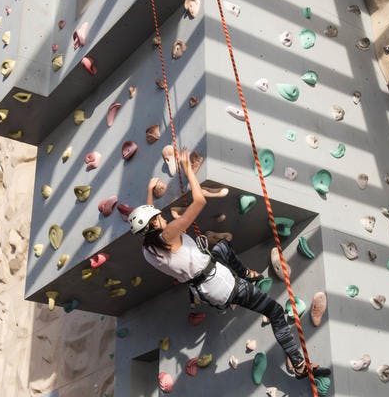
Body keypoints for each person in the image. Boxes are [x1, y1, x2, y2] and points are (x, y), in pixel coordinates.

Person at [129, 147, 326, 379]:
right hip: (221, 283)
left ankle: (247, 273)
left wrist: (149, 193)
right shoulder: (169, 234)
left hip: (205, 283)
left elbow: (148, 222)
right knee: (274, 311)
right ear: (153, 226)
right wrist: (187, 171)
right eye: (157, 218)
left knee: (222, 247)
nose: (161, 216)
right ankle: (299, 365)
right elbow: (199, 201)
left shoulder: (148, 249)